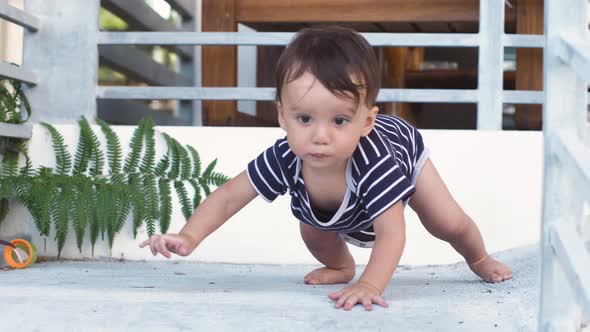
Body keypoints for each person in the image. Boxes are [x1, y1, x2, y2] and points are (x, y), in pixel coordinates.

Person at [140, 26, 512, 311]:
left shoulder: (375, 160)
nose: (320, 137)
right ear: (282, 116)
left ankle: (478, 257)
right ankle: (340, 267)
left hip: (404, 154)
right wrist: (189, 236)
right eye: (304, 118)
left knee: (445, 222)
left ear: (366, 122)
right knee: (314, 230)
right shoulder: (286, 155)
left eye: (339, 121)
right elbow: (227, 196)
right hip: (331, 211)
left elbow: (392, 235)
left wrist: (371, 284)